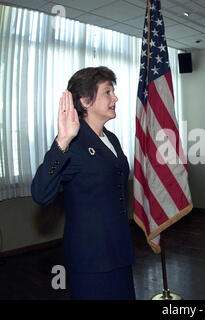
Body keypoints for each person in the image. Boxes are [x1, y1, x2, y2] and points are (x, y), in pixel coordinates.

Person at [31, 66, 135, 300]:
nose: (115, 98)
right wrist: (62, 141)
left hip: (119, 251)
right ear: (86, 101)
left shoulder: (112, 139)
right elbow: (40, 193)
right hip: (91, 258)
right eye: (108, 92)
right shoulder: (72, 144)